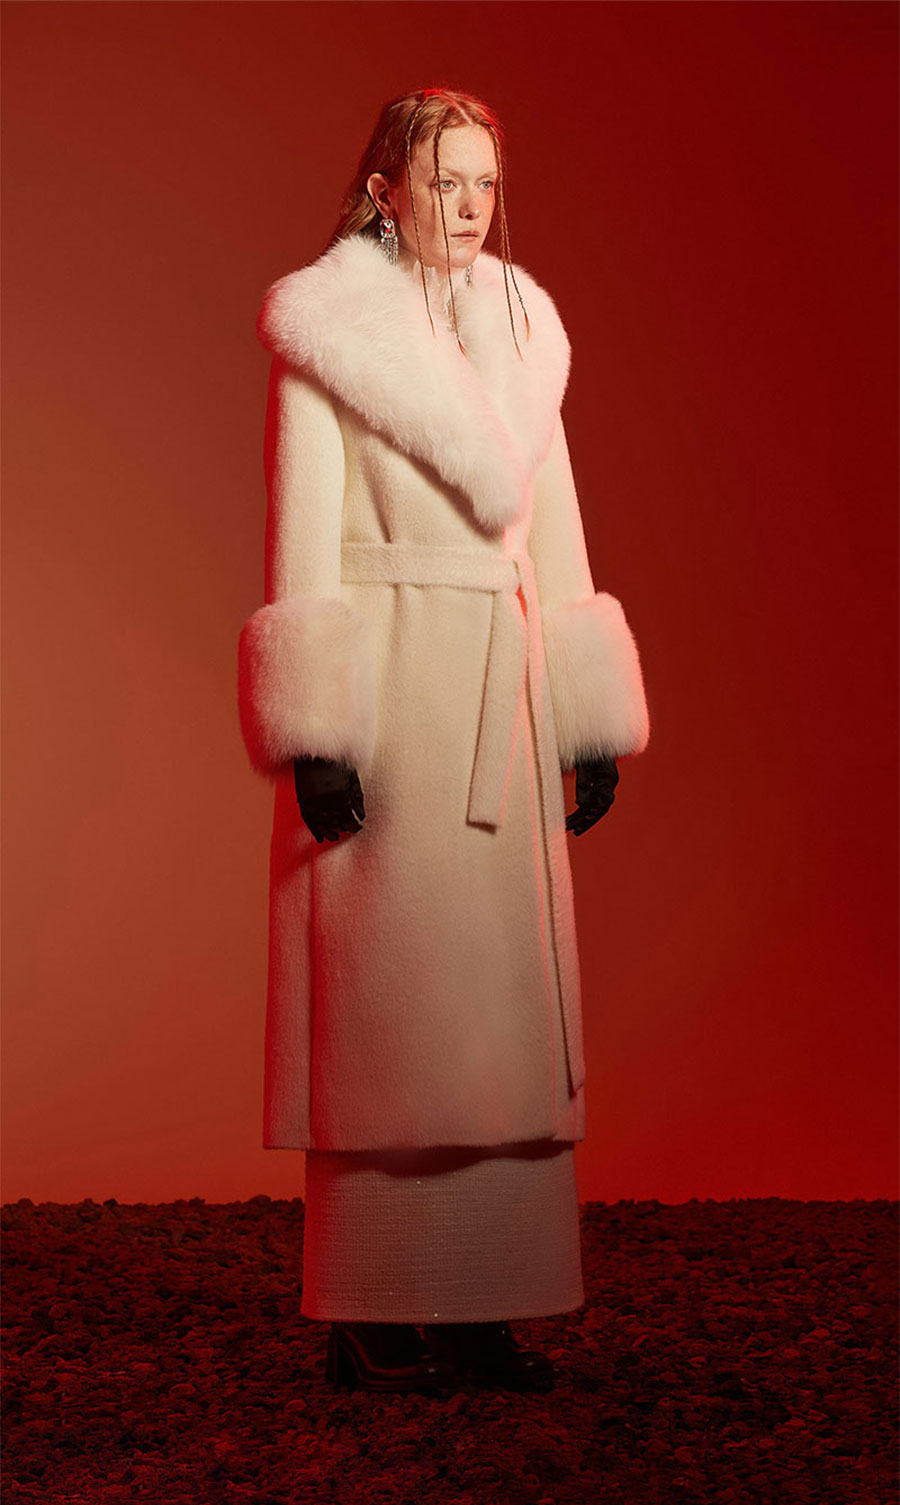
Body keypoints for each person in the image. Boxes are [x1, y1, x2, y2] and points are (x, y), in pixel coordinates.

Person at [237, 87, 650, 1396]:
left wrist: (585, 713)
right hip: (396, 694)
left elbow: (557, 523)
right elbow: (302, 534)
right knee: (391, 1008)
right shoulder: (326, 331)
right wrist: (319, 730)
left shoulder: (522, 325)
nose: (469, 206)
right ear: (384, 191)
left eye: (485, 182)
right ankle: (373, 1307)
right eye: (442, 180)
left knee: (496, 1018)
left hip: (503, 693)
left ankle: (483, 1306)